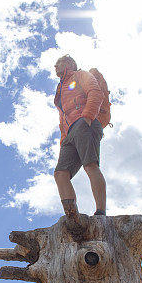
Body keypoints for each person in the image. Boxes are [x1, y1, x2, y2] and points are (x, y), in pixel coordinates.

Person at [52, 54, 107, 216]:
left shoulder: (80, 75)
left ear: (69, 63)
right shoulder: (61, 87)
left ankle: (100, 212)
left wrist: (88, 116)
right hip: (68, 134)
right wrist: (63, 139)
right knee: (60, 174)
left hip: (84, 122)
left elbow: (95, 92)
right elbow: (63, 118)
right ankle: (72, 216)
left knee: (90, 165)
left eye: (58, 63)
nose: (55, 67)